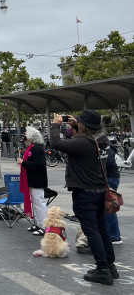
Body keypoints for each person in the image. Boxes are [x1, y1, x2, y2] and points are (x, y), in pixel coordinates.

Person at [50, 111, 117, 285]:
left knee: (92, 231)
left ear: (84, 126)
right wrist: (75, 126)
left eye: (79, 122)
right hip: (100, 191)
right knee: (102, 229)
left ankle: (102, 270)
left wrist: (56, 124)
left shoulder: (83, 143)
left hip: (85, 193)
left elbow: (56, 143)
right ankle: (110, 266)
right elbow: (82, 139)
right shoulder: (102, 139)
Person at [16, 127, 47, 235]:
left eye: (26, 133)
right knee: (35, 202)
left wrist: (23, 163)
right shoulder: (31, 148)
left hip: (36, 180)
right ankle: (38, 223)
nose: (24, 135)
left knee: (39, 203)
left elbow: (40, 165)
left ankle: (44, 226)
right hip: (31, 179)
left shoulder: (36, 148)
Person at [104, 141, 122, 245]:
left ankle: (114, 236)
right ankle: (112, 235)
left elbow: (107, 162)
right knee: (107, 206)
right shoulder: (105, 144)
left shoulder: (106, 146)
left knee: (109, 205)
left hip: (110, 177)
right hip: (109, 177)